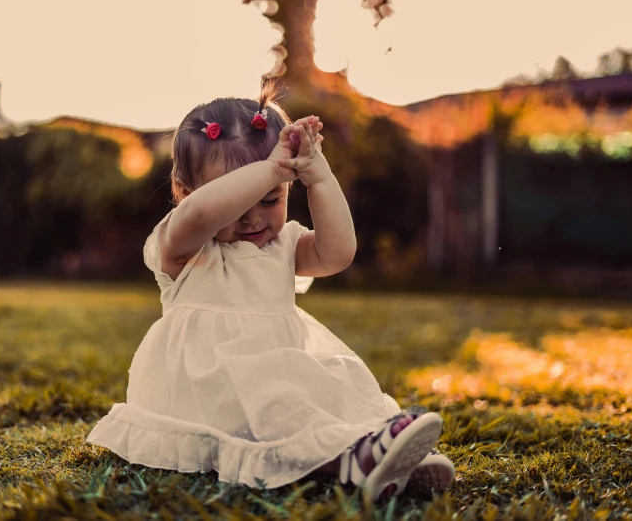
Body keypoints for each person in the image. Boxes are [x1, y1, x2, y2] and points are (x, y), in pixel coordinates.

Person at [87, 80, 454, 501]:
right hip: (209, 390)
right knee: (284, 401)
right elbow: (205, 212)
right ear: (186, 194)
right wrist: (270, 172)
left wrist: (319, 176)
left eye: (270, 199)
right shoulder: (184, 246)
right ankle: (356, 458)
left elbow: (338, 253)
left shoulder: (284, 245)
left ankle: (378, 454)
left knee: (320, 391)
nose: (253, 219)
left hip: (277, 377)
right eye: (239, 204)